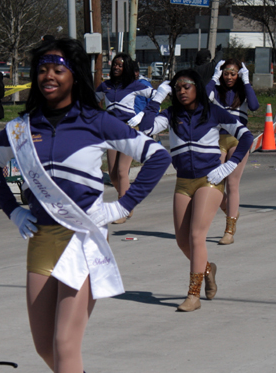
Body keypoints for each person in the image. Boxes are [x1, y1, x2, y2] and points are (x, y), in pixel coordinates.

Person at [0, 37, 170, 373]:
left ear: (74, 75)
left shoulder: (96, 122)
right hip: (41, 240)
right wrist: (12, 210)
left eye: (58, 68)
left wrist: (122, 206)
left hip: (81, 242)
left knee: (66, 342)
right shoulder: (20, 129)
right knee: (45, 347)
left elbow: (157, 156)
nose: (48, 76)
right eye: (42, 69)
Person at [138, 69, 252, 310]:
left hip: (209, 179)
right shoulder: (171, 114)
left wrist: (230, 164)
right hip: (183, 181)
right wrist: (157, 98)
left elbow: (246, 136)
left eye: (186, 86)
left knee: (196, 236)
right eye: (177, 88)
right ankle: (208, 270)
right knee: (182, 241)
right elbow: (146, 129)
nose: (181, 91)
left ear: (197, 88)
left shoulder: (213, 112)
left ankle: (193, 296)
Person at [204, 58, 259, 245]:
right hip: (217, 140)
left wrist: (246, 81)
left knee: (232, 184)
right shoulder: (216, 91)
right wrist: (214, 78)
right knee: (212, 182)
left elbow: (254, 106)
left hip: (238, 140)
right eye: (226, 73)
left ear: (239, 75)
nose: (229, 77)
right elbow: (202, 98)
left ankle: (229, 230)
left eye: (233, 74)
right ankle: (231, 210)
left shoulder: (243, 92)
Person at [95, 53, 155, 223]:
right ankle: (128, 200)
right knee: (113, 175)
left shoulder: (134, 85)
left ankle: (122, 209)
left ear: (126, 68)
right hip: (111, 132)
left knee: (122, 171)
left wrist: (142, 114)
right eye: (115, 64)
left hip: (129, 130)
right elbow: (92, 102)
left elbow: (157, 96)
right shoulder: (105, 86)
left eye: (120, 65)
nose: (116, 67)